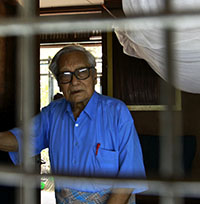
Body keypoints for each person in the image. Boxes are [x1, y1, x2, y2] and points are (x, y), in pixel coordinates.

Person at [0, 45, 147, 203]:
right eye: (65, 75)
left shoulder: (117, 112)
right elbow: (18, 140)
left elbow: (129, 176)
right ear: (59, 84)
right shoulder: (52, 113)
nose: (74, 81)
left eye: (82, 72)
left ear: (94, 76)